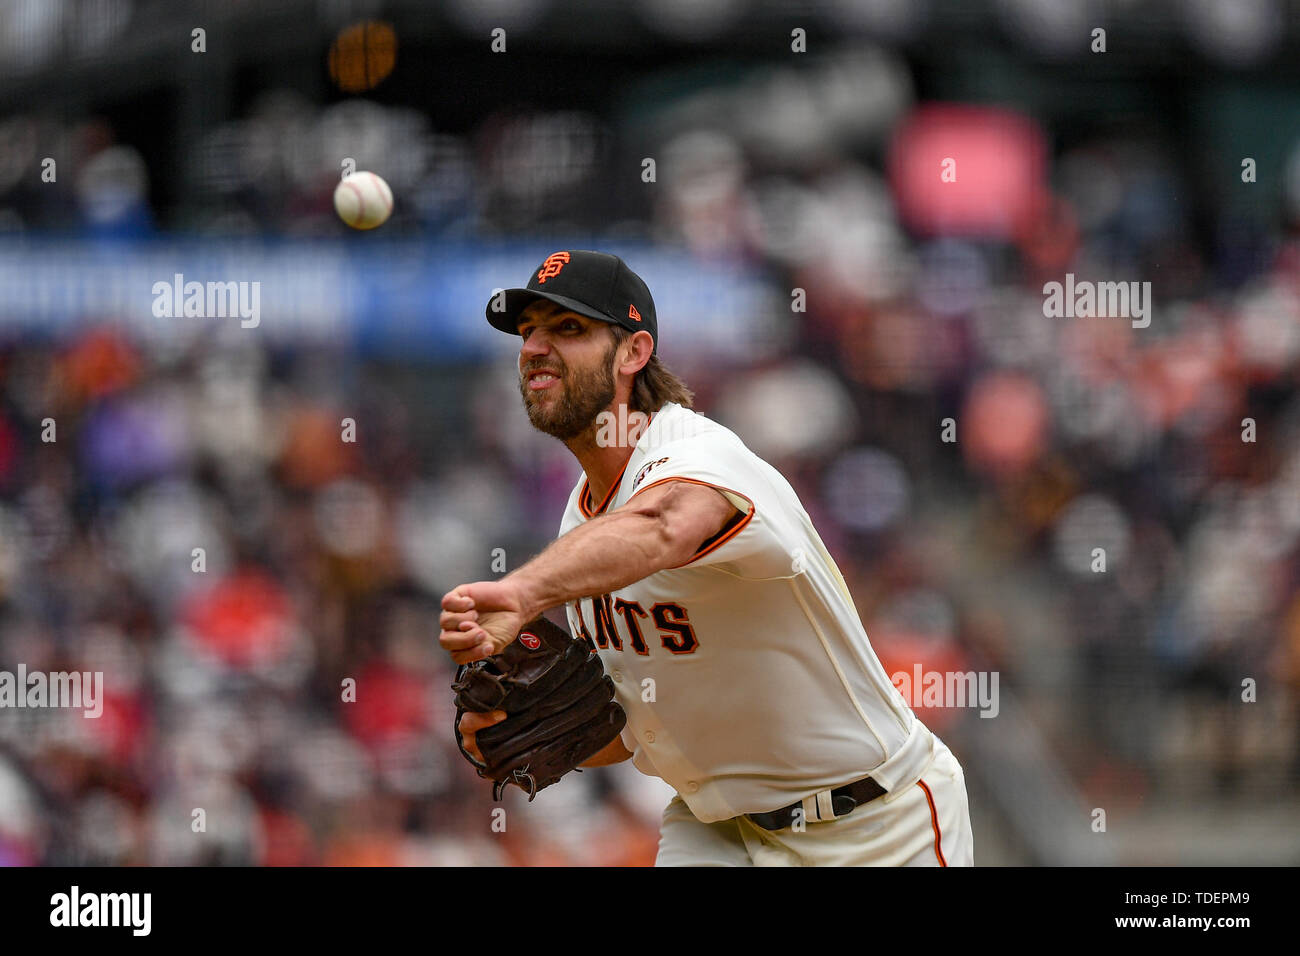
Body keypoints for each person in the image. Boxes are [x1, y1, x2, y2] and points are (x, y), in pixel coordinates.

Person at [439, 249, 974, 866]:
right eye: (527, 330)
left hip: (873, 824)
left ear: (634, 353)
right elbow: (634, 721)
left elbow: (667, 525)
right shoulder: (580, 520)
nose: (534, 346)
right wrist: (517, 729)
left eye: (567, 329)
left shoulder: (697, 451)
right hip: (717, 830)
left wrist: (527, 591)